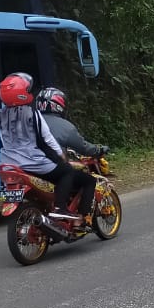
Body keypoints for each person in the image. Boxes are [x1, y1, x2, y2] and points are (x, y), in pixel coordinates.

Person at [0, 72, 86, 226]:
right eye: (27, 90)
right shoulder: (33, 114)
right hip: (32, 162)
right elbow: (48, 139)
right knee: (66, 172)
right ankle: (60, 208)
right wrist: (61, 155)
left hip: (8, 164)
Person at [35, 86, 104, 220]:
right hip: (52, 168)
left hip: (28, 167)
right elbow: (83, 147)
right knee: (89, 180)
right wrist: (98, 150)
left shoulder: (28, 121)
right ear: (59, 105)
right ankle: (82, 216)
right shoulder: (64, 126)